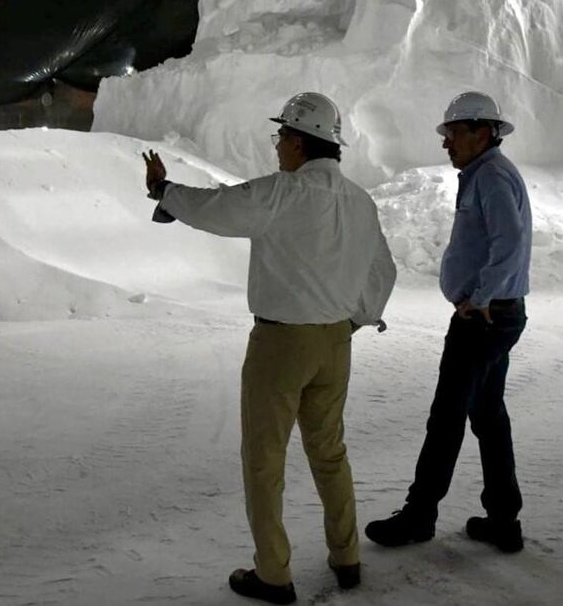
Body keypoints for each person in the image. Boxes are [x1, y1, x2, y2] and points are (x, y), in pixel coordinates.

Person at [142, 92, 397, 605]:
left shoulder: (285, 193)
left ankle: (274, 575)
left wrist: (164, 190)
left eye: (282, 136)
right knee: (330, 452)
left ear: (301, 143)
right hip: (334, 342)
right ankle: (346, 558)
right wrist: (353, 319)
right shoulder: (360, 202)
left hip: (281, 343)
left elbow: (221, 208)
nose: (278, 145)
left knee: (264, 459)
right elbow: (383, 272)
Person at [365, 91, 532, 554]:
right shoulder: (485, 174)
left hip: (485, 317)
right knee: (487, 415)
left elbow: (509, 244)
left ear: (483, 133)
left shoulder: (493, 177)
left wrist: (478, 297)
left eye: (454, 134)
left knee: (447, 418)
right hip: (495, 314)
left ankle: (420, 516)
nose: (446, 144)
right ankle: (503, 519)